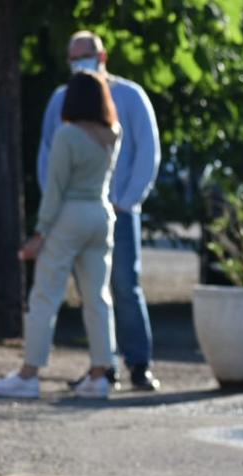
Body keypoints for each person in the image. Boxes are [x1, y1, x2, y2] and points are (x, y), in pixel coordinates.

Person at [37, 30, 162, 391]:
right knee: (93, 294)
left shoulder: (130, 96)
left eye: (85, 55)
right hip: (76, 212)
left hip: (118, 211)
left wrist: (128, 200)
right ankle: (102, 368)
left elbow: (146, 151)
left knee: (125, 286)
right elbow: (48, 158)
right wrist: (56, 205)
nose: (80, 63)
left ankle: (138, 364)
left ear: (102, 56)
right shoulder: (61, 99)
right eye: (73, 57)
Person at [0, 71, 121, 400]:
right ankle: (100, 375)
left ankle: (29, 374)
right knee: (98, 298)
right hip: (101, 215)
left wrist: (39, 233)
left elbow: (55, 190)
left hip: (70, 217)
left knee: (45, 296)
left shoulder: (67, 135)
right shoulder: (111, 133)